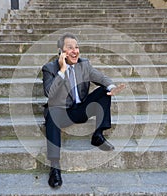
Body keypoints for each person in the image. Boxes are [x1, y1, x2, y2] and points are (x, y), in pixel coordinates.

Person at [42, 32, 125, 188]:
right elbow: (49, 93)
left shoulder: (84, 64)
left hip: (80, 109)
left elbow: (101, 77)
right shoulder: (50, 68)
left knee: (103, 91)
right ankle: (54, 167)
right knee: (52, 112)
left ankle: (98, 135)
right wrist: (61, 70)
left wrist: (112, 87)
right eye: (70, 48)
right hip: (61, 112)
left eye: (77, 47)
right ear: (61, 52)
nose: (75, 51)